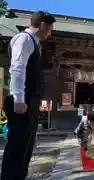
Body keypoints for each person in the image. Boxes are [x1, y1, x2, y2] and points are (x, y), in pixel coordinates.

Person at [1, 11, 56, 180]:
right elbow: (17, 69)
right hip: (22, 102)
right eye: (49, 28)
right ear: (42, 25)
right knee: (18, 146)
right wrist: (19, 99)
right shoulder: (24, 39)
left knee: (26, 146)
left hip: (29, 102)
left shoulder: (34, 43)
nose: (50, 33)